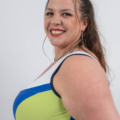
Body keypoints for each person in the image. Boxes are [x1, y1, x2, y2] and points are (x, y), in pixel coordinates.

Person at [13, 0, 120, 120]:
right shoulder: (66, 62)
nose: (54, 21)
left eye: (66, 14)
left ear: (84, 23)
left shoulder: (78, 65)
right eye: (49, 13)